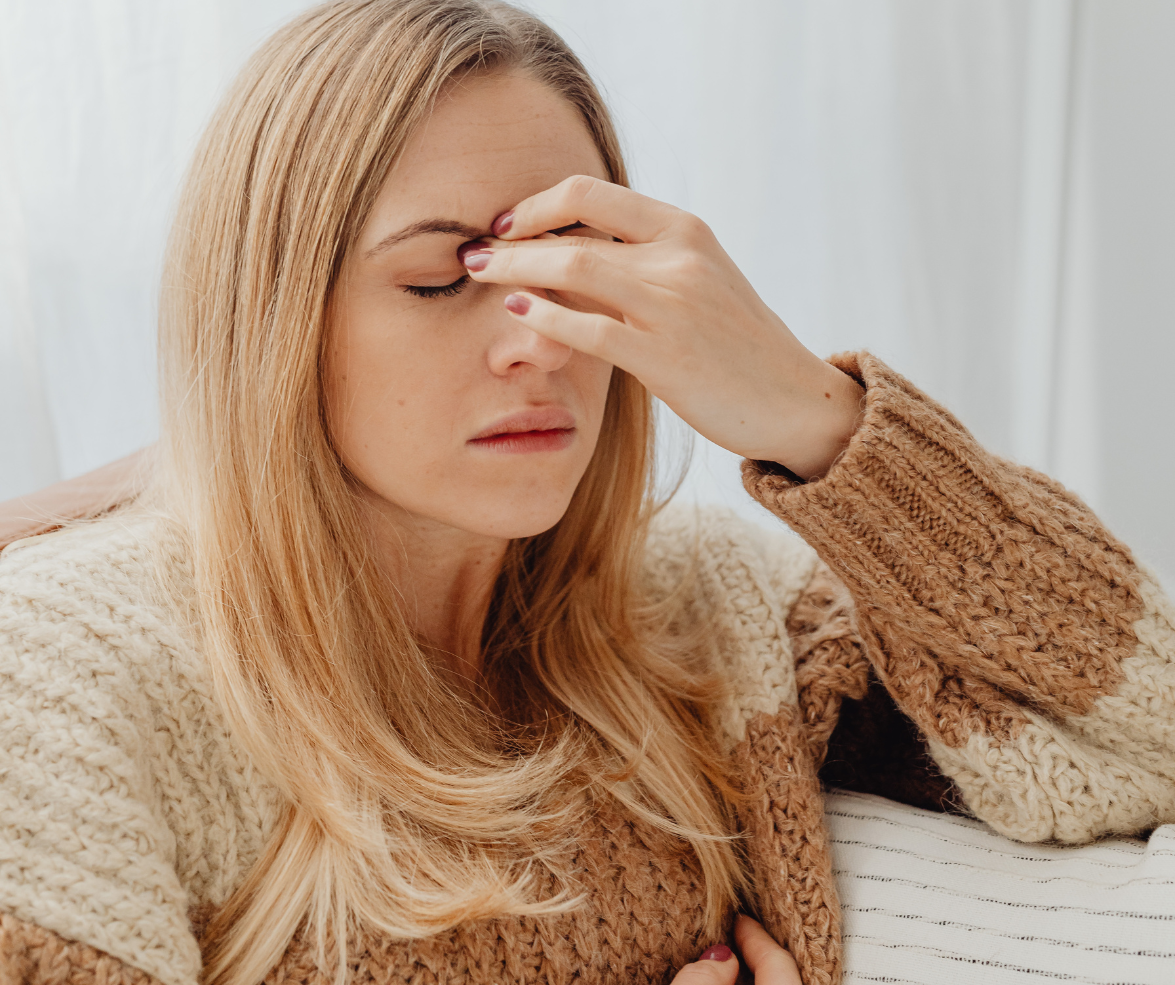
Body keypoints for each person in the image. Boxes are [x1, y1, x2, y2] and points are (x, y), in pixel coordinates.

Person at [1, 2, 1173, 984]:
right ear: (266, 324)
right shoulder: (63, 678)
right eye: (436, 279)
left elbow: (1138, 747)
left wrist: (814, 417)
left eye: (575, 268)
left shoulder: (712, 614)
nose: (540, 344)